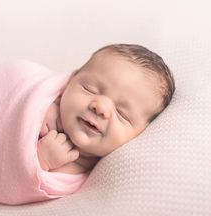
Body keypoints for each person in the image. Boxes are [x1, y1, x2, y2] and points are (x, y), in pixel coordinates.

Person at [37, 44, 175, 174]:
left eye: (122, 114)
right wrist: (37, 106)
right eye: (90, 90)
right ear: (70, 81)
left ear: (140, 134)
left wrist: (42, 160)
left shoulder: (73, 169)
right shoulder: (45, 93)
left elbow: (20, 189)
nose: (101, 107)